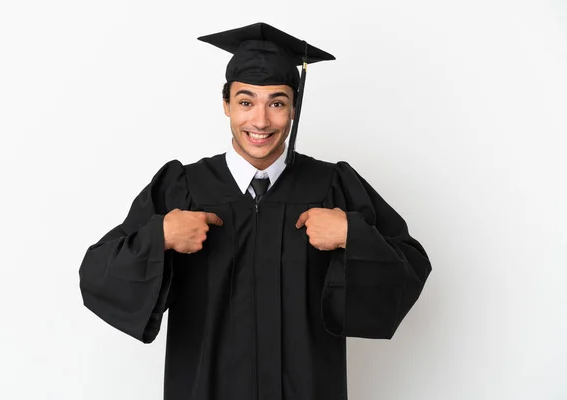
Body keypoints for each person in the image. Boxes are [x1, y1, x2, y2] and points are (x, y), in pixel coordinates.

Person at [78, 22, 432, 400]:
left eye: (276, 103)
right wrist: (160, 236)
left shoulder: (332, 187)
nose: (260, 121)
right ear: (226, 104)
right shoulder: (183, 188)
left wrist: (352, 234)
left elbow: (410, 267)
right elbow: (98, 273)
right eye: (246, 102)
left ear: (293, 107)